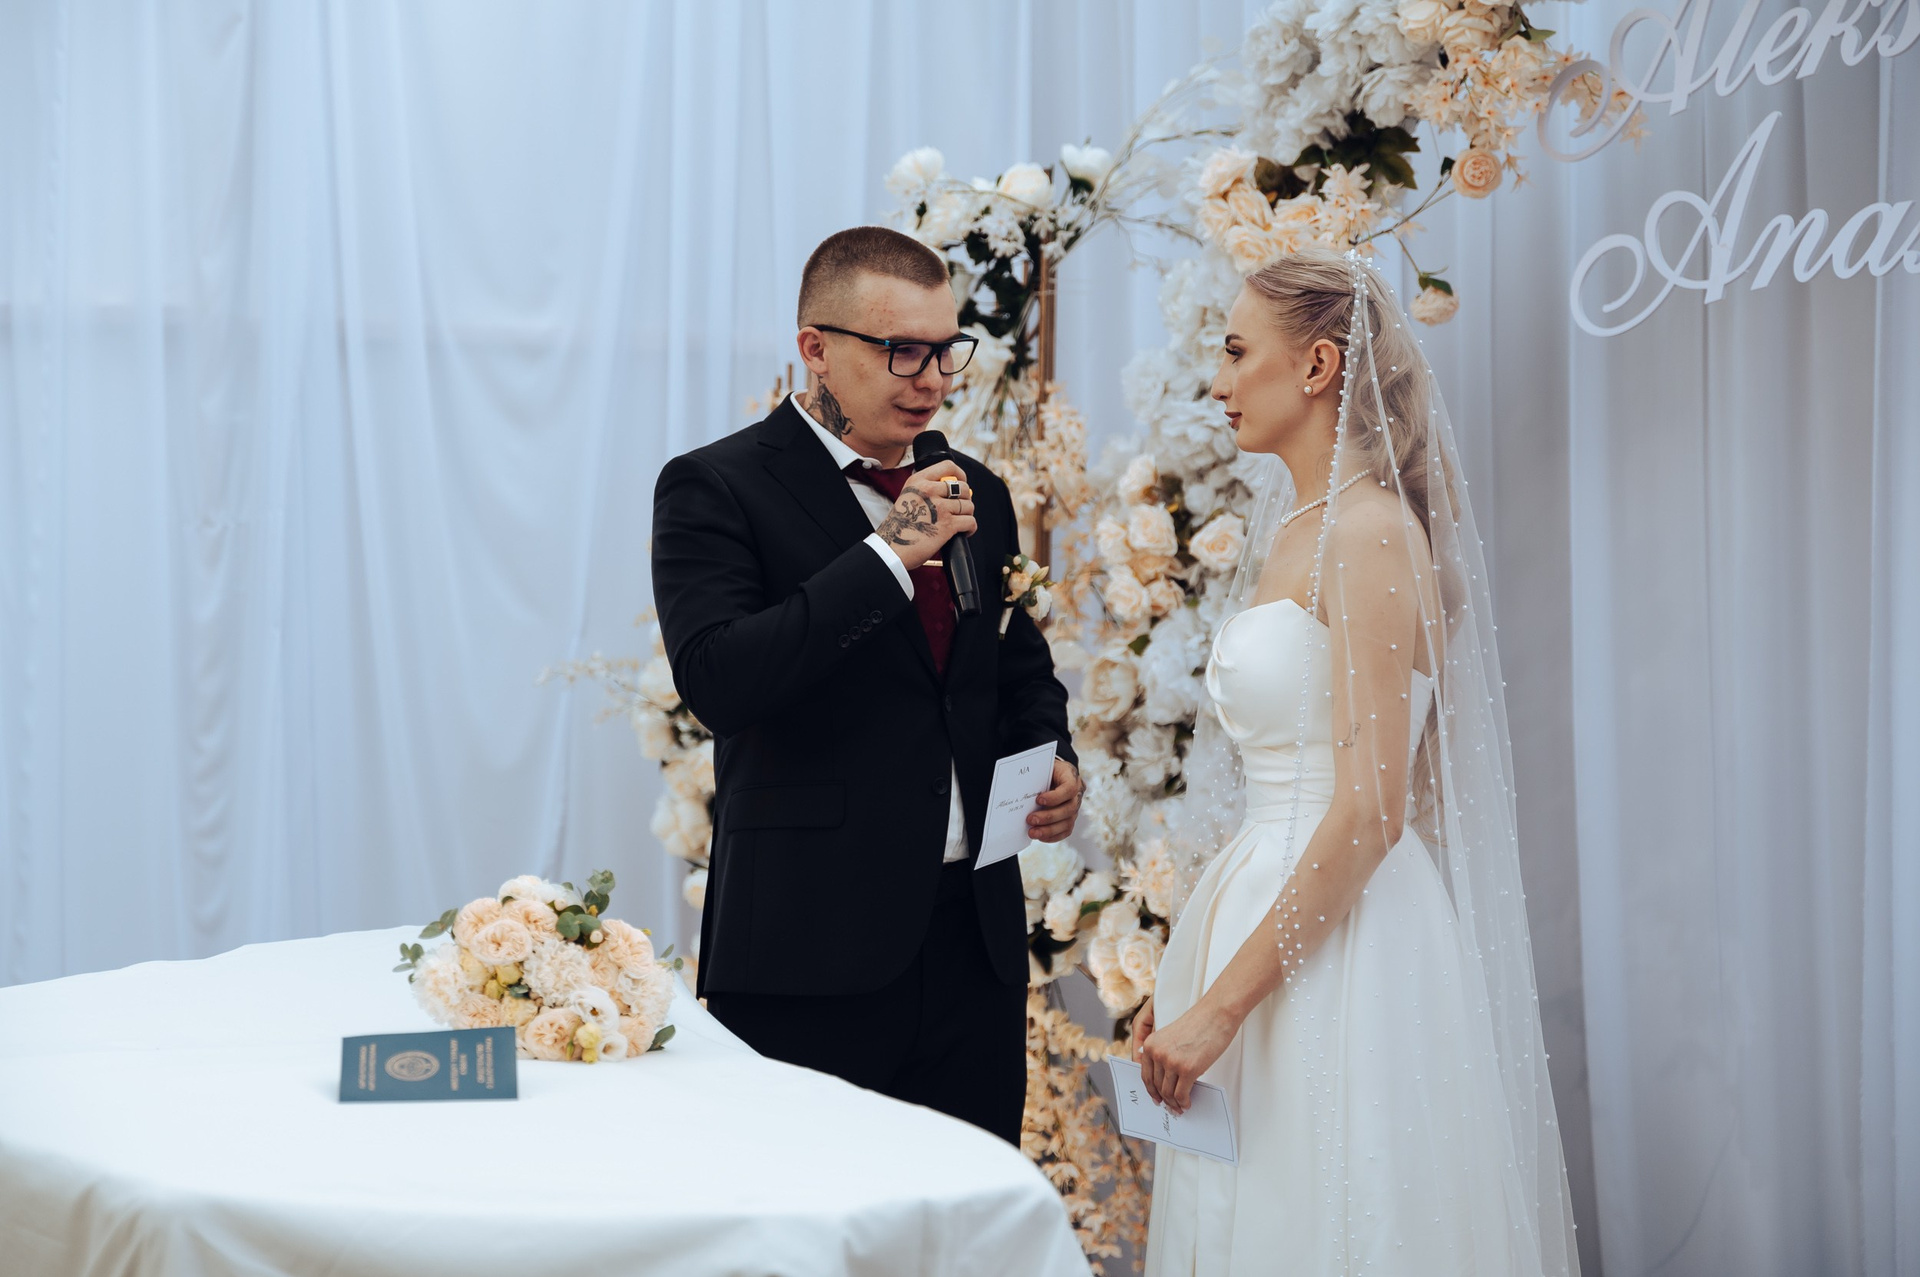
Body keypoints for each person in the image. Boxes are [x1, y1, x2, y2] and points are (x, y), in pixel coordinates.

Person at [1134, 250, 1581, 1275]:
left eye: (1236, 351)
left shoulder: (1370, 529)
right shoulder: (1299, 527)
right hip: (1269, 912)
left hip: (1344, 943)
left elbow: (1374, 805)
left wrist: (1221, 1005)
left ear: (1318, 365)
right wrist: (1198, 971)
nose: (1218, 380)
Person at [650, 226, 1081, 1144]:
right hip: (810, 947)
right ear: (815, 348)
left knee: (969, 1208)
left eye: (947, 349)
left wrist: (1053, 754)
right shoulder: (716, 485)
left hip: (973, 947)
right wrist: (890, 554)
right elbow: (721, 680)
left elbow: (1016, 664)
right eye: (901, 351)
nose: (932, 379)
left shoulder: (974, 488)